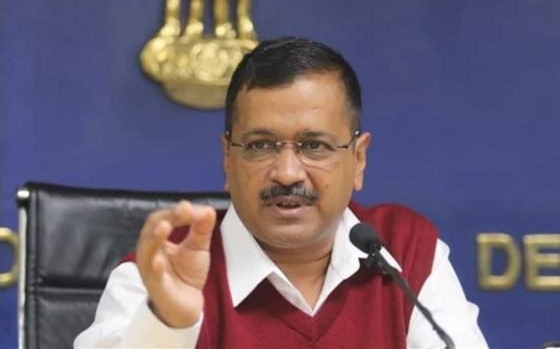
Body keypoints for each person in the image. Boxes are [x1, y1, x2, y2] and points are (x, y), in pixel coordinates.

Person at [74, 37, 488, 348]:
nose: (287, 173)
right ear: (228, 158)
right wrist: (167, 323)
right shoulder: (163, 275)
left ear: (358, 159)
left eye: (314, 146)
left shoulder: (405, 252)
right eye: (260, 145)